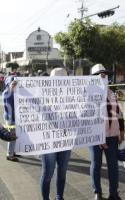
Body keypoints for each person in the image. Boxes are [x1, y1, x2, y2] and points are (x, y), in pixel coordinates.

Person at [89, 64, 125, 200]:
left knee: (113, 166)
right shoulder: (88, 93)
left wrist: (122, 131)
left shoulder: (112, 93)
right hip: (95, 136)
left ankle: (114, 193)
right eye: (100, 74)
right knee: (96, 164)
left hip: (112, 136)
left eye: (105, 74)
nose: (103, 76)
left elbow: (119, 113)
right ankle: (97, 192)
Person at [40, 67, 71, 200]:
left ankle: (59, 197)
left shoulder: (72, 96)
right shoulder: (43, 96)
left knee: (62, 172)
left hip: (66, 139)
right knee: (48, 173)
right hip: (49, 141)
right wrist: (14, 90)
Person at [2, 75, 19, 161]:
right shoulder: (7, 93)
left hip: (14, 118)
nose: (15, 85)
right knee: (12, 136)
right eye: (13, 83)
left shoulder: (13, 92)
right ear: (9, 84)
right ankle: (9, 154)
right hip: (10, 118)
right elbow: (9, 108)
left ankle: (13, 151)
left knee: (15, 136)